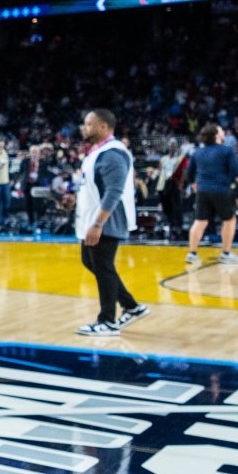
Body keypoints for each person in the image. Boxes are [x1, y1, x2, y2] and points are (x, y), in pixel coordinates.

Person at [71, 108, 147, 337]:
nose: (84, 128)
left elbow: (114, 191)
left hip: (106, 221)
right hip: (95, 219)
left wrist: (98, 224)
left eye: (88, 124)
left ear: (103, 127)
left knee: (103, 267)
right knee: (92, 262)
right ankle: (132, 307)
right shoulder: (98, 152)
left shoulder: (113, 153)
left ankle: (107, 321)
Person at [184, 124, 238, 265]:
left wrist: (195, 186)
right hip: (221, 191)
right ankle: (225, 254)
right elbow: (237, 172)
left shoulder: (197, 152)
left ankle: (192, 254)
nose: (224, 132)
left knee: (200, 221)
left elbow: (188, 174)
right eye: (221, 130)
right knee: (229, 220)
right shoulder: (226, 151)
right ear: (217, 135)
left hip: (202, 191)